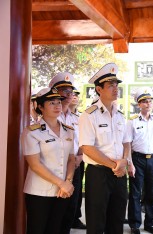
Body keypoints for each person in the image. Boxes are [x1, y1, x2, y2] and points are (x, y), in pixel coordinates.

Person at [79, 63, 131, 233]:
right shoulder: (89, 115)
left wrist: (124, 160)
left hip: (119, 174)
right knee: (96, 222)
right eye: (110, 85)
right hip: (99, 174)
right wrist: (114, 165)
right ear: (99, 89)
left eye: (117, 85)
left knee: (117, 221)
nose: (115, 88)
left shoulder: (120, 115)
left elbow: (126, 142)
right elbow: (87, 147)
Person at [21, 87, 75, 234]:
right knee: (37, 229)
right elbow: (35, 165)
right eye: (52, 103)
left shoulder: (69, 130)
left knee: (56, 229)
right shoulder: (32, 132)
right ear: (40, 106)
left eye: (59, 102)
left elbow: (72, 159)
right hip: (39, 191)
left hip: (62, 191)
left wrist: (68, 182)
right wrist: (62, 183)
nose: (57, 105)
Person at [48, 72, 86, 232]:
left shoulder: (77, 118)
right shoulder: (48, 117)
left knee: (71, 206)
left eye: (71, 91)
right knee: (55, 208)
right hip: (54, 168)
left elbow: (84, 141)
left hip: (75, 166)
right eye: (64, 90)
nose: (69, 94)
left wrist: (80, 157)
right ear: (55, 92)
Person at [126, 88, 153, 234]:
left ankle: (149, 223)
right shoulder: (132, 122)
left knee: (151, 193)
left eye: (150, 101)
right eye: (144, 102)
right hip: (137, 159)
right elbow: (127, 144)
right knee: (135, 193)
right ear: (139, 105)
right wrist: (130, 163)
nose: (148, 104)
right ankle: (134, 225)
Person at [68, 88, 87, 229]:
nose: (74, 97)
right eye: (71, 94)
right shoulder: (59, 115)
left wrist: (80, 156)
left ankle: (75, 218)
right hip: (63, 161)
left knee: (77, 191)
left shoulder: (80, 117)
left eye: (76, 95)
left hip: (78, 159)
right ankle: (66, 220)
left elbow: (83, 139)